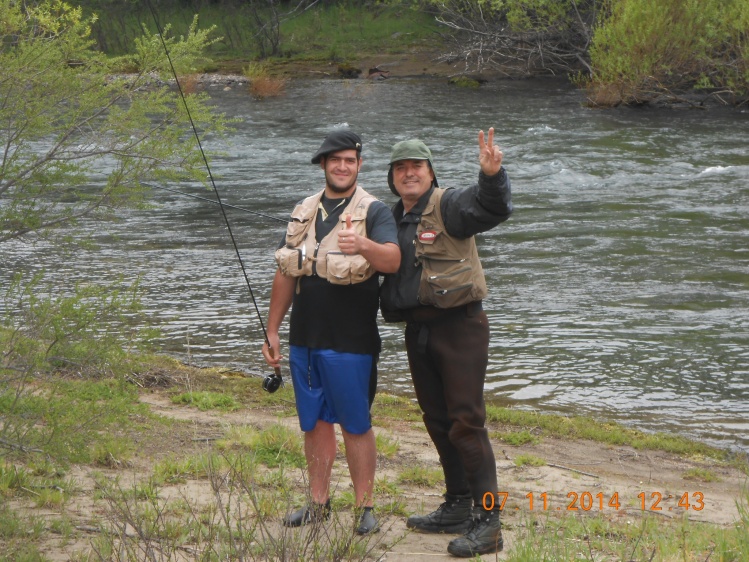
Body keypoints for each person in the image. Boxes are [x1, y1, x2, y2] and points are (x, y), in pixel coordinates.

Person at [379, 128, 512, 557]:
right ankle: (456, 505)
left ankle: (489, 521)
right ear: (392, 178)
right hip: (418, 331)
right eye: (400, 168)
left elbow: (491, 208)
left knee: (466, 423)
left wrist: (492, 175)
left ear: (431, 173)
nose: (408, 174)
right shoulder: (389, 217)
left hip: (460, 327)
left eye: (416, 166)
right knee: (436, 420)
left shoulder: (450, 204)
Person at [262, 130, 400, 535]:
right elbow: (286, 272)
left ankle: (365, 507)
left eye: (350, 161)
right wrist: (272, 330)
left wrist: (363, 245)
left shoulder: (375, 211)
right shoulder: (303, 209)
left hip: (351, 342)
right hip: (304, 339)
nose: (343, 167)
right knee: (314, 423)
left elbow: (392, 260)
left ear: (359, 165)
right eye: (335, 160)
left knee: (355, 423)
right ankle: (318, 501)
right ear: (323, 164)